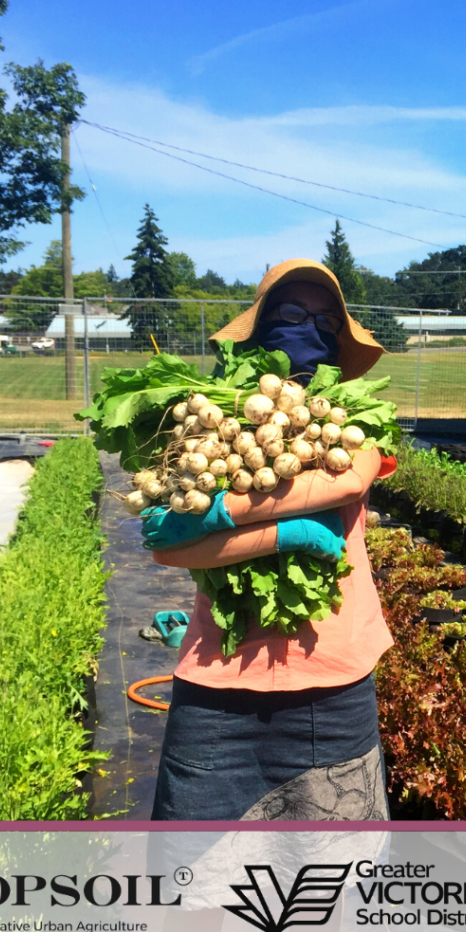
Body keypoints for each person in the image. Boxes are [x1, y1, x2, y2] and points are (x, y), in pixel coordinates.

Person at [144, 258, 394, 823]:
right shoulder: (209, 424)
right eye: (291, 313)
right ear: (259, 327)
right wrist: (285, 532)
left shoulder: (358, 422)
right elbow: (168, 549)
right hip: (217, 679)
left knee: (329, 884)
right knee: (195, 885)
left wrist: (211, 513)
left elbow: (346, 480)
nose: (310, 329)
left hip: (331, 680)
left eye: (327, 323)